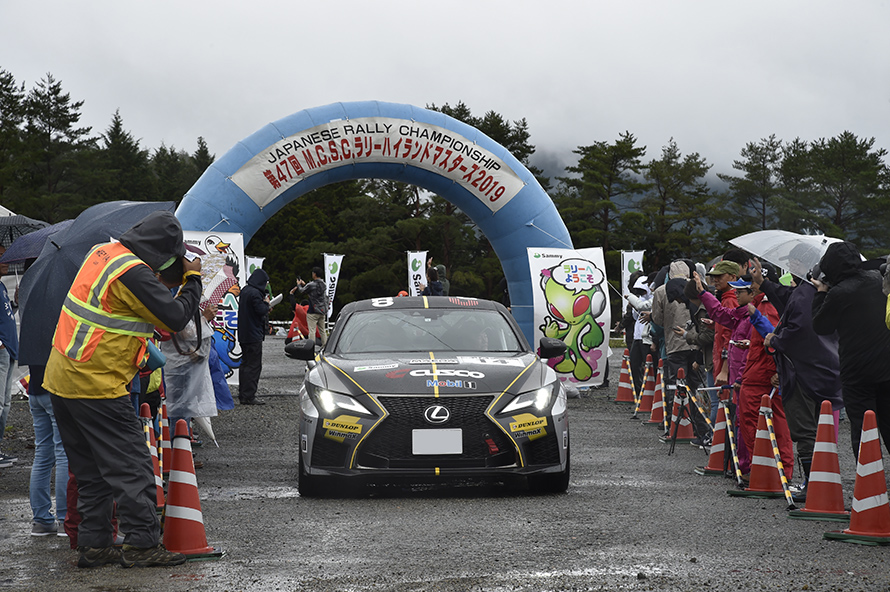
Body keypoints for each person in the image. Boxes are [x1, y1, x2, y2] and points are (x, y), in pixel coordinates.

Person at [44, 210, 201, 568]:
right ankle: (142, 545)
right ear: (164, 252)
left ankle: (95, 544)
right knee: (132, 467)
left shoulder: (103, 254)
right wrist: (192, 282)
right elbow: (176, 317)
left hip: (62, 378)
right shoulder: (132, 271)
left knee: (91, 472)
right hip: (96, 384)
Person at [812, 241, 890, 457]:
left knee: (863, 428)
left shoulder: (839, 293)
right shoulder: (877, 279)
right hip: (886, 366)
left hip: (857, 372)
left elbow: (821, 326)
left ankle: (869, 483)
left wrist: (820, 292)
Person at [238, 268, 272, 405]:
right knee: (254, 366)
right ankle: (249, 396)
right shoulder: (256, 294)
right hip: (253, 335)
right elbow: (261, 310)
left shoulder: (245, 290)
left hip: (244, 334)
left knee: (245, 365)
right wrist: (267, 304)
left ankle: (243, 394)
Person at [0, 250, 18, 468]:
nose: (5, 262)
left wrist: (15, 303)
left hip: (9, 350)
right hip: (2, 349)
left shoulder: (2, 287)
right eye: (1, 258)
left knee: (5, 403)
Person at [296, 267, 329, 347]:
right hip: (322, 310)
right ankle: (325, 346)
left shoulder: (311, 285)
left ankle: (311, 347)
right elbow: (313, 290)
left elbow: (302, 291)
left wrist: (298, 284)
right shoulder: (323, 284)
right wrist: (305, 285)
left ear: (314, 274)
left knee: (312, 330)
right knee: (322, 330)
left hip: (313, 310)